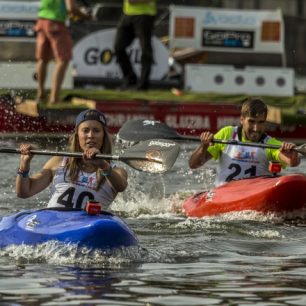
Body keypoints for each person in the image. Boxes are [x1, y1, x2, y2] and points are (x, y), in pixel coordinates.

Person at [16, 109, 128, 210]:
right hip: (54, 223)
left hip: (88, 228)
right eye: (85, 130)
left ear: (103, 136)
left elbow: (121, 186)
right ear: (77, 135)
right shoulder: (58, 161)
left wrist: (102, 165)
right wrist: (24, 165)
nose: (90, 135)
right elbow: (24, 192)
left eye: (96, 130)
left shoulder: (116, 171)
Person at [189, 98, 300, 187]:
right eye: (251, 122)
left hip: (254, 195)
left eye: (261, 122)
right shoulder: (227, 134)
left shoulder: (269, 143)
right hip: (223, 194)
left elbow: (292, 162)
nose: (256, 128)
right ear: (242, 119)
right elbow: (193, 164)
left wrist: (292, 153)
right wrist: (203, 146)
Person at [35, 0, 90, 104]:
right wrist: (85, 15)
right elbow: (71, 8)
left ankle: (40, 94)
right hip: (56, 23)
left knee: (42, 59)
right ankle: (54, 98)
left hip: (41, 21)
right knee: (62, 60)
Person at [114, 0, 157, 91]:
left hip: (145, 14)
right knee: (118, 47)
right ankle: (130, 79)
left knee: (145, 49)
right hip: (127, 14)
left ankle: (143, 85)